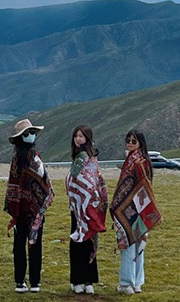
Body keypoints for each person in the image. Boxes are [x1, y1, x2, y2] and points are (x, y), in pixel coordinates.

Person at [109, 130, 162, 295]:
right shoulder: (142, 161)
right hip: (140, 208)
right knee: (138, 245)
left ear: (140, 143)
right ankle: (137, 282)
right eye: (128, 140)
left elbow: (137, 187)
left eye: (134, 140)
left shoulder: (134, 162)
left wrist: (120, 206)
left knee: (129, 245)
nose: (130, 143)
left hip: (131, 209)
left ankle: (127, 283)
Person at [4, 119, 54, 293]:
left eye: (32, 133)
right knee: (26, 244)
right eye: (27, 134)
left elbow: (42, 180)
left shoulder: (32, 156)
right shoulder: (20, 159)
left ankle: (31, 281)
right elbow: (15, 183)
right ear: (20, 137)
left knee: (30, 244)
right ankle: (24, 281)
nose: (31, 136)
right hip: (27, 209)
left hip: (28, 209)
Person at [66, 125, 108, 294]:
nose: (78, 139)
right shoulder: (86, 157)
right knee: (85, 239)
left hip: (85, 206)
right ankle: (84, 280)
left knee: (82, 240)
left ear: (87, 138)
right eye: (76, 136)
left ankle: (83, 280)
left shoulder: (86, 158)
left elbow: (84, 179)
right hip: (84, 206)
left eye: (81, 136)